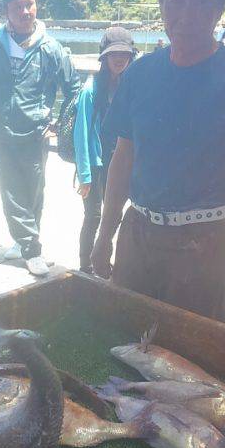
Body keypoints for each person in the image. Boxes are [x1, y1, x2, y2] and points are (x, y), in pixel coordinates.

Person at [91, 0, 225, 322]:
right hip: (137, 233)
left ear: (220, 7)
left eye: (201, 2)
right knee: (118, 339)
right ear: (161, 2)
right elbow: (124, 159)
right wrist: (105, 232)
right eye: (175, 0)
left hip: (206, 244)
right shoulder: (139, 73)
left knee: (192, 360)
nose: (186, 15)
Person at [0, 0, 80, 277]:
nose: (25, 11)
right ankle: (31, 248)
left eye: (29, 4)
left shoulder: (51, 48)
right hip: (3, 134)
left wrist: (60, 123)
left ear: (36, 6)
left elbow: (74, 89)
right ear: (7, 11)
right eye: (18, 7)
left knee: (34, 193)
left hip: (35, 135)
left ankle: (23, 239)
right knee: (12, 194)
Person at [74, 27, 136, 273]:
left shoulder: (133, 87)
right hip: (97, 164)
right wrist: (85, 175)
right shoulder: (91, 90)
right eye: (113, 54)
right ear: (104, 58)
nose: (119, 59)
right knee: (93, 217)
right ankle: (85, 266)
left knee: (117, 215)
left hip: (121, 161)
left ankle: (106, 263)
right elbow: (82, 133)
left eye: (124, 54)